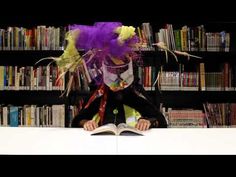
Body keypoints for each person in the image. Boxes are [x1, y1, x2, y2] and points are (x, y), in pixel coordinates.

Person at [39, 22, 167, 131]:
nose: (118, 77)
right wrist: (86, 123)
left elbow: (160, 120)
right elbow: (77, 121)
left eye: (121, 69)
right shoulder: (99, 92)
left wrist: (148, 121)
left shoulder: (135, 91)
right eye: (113, 69)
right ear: (105, 69)